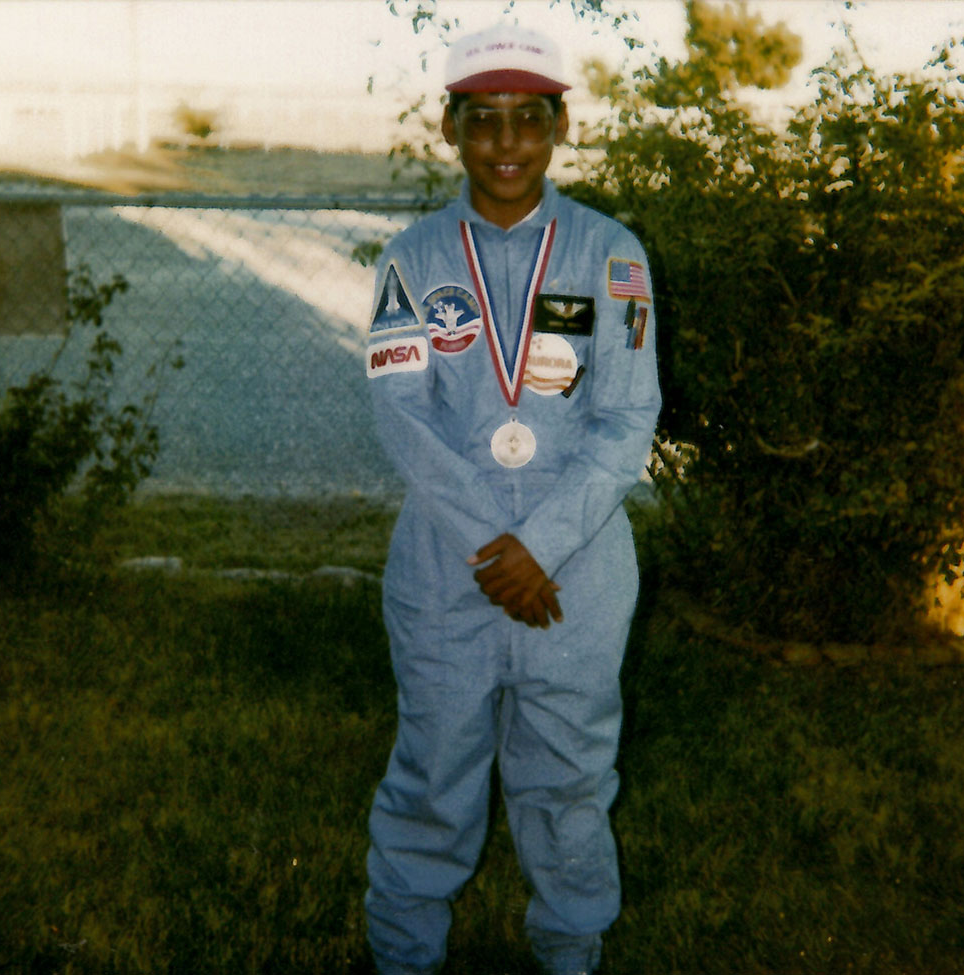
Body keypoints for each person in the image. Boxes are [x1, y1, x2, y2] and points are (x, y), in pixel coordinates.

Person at [363, 22, 661, 975]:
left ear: (559, 124)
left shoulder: (613, 256)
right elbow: (401, 420)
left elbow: (627, 421)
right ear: (449, 127)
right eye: (481, 121)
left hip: (574, 572)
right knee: (433, 770)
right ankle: (403, 955)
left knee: (569, 777)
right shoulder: (409, 259)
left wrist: (541, 544)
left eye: (527, 120)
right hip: (448, 569)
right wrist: (500, 547)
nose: (505, 146)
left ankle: (570, 952)